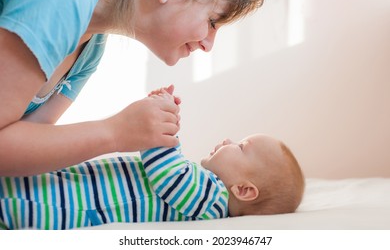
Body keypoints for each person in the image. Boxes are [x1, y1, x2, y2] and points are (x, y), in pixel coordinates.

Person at [0, 0, 264, 176]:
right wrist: (115, 132)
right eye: (212, 22)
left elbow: (21, 152)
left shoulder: (91, 51)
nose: (208, 45)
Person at [0, 89, 304, 230]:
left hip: (69, 206)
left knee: (19, 197)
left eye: (240, 146)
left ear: (244, 190)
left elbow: (167, 173)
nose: (227, 141)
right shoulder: (206, 187)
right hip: (78, 185)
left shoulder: (211, 202)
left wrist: (161, 126)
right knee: (33, 175)